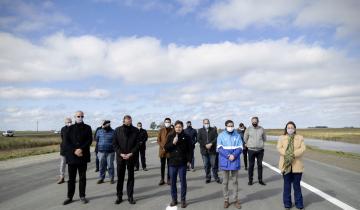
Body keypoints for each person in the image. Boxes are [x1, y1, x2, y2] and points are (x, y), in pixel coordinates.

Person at [63, 111, 92, 205]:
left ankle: (82, 196)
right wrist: (75, 150)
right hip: (72, 157)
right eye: (78, 116)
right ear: (74, 117)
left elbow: (89, 140)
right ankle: (69, 197)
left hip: (83, 156)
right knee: (71, 179)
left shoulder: (88, 127)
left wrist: (81, 149)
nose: (80, 117)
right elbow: (66, 142)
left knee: (82, 178)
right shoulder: (69, 128)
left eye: (81, 116)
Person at [277, 121, 305, 210]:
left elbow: (303, 148)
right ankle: (287, 204)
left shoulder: (300, 138)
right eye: (288, 128)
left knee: (297, 186)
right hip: (286, 165)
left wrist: (293, 154)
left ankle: (299, 204)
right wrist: (287, 154)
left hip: (297, 166)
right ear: (286, 129)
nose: (290, 129)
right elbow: (279, 147)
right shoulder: (281, 138)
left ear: (295, 129)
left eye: (292, 127)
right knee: (287, 186)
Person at [165, 120, 192, 208]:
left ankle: (183, 200)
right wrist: (173, 143)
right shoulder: (170, 136)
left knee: (183, 181)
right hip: (172, 163)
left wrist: (189, 161)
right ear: (174, 127)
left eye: (180, 127)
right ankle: (174, 199)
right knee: (173, 182)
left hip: (182, 163)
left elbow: (190, 150)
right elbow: (166, 148)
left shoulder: (186, 137)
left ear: (182, 127)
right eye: (176, 127)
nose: (178, 128)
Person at [113, 115, 139, 205]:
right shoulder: (117, 130)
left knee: (131, 178)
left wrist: (131, 153)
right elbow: (114, 144)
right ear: (123, 121)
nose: (128, 122)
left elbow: (137, 144)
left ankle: (130, 196)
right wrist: (121, 153)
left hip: (131, 157)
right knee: (120, 178)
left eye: (130, 120)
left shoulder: (135, 130)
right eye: (127, 121)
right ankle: (119, 196)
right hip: (121, 157)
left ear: (131, 121)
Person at [217, 120, 243, 209]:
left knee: (235, 182)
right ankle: (226, 200)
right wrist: (228, 156)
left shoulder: (237, 135)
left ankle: (235, 200)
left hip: (235, 161)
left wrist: (234, 155)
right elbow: (219, 148)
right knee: (225, 182)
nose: (230, 127)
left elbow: (240, 147)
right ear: (225, 126)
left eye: (232, 125)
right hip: (225, 161)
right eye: (229, 125)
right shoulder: (221, 135)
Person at [244, 116, 267, 186]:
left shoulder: (262, 129)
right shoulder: (248, 129)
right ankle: (250, 180)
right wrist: (249, 144)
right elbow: (245, 138)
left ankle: (260, 180)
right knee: (251, 166)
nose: (254, 122)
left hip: (260, 150)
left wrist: (260, 144)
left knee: (260, 165)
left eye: (255, 121)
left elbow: (264, 138)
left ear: (258, 121)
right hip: (251, 150)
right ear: (251, 122)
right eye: (253, 121)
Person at [197, 119, 221, 184]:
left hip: (212, 150)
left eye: (207, 123)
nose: (206, 124)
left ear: (209, 123)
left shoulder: (213, 129)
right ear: (203, 123)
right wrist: (205, 145)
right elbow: (198, 139)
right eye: (205, 123)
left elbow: (216, 138)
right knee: (206, 165)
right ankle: (208, 177)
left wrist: (211, 143)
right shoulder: (200, 130)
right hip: (204, 151)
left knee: (214, 165)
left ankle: (216, 177)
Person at [95, 120, 115, 184]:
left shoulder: (113, 132)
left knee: (110, 166)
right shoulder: (99, 131)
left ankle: (111, 178)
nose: (107, 125)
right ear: (103, 125)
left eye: (108, 124)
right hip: (101, 152)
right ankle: (101, 178)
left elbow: (115, 141)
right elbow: (96, 139)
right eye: (105, 124)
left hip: (110, 152)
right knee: (102, 166)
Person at [157, 117, 174, 185]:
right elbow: (158, 140)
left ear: (170, 123)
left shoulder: (173, 130)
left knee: (169, 165)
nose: (167, 123)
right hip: (162, 151)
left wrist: (167, 147)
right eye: (166, 122)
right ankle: (162, 179)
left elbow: (173, 141)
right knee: (162, 166)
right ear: (164, 123)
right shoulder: (161, 130)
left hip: (169, 151)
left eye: (168, 122)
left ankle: (169, 179)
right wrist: (163, 146)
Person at [57, 117, 72, 184]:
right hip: (64, 149)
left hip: (71, 150)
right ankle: (61, 177)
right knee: (62, 164)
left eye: (70, 122)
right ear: (65, 123)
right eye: (68, 122)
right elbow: (62, 137)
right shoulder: (63, 129)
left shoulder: (74, 128)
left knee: (71, 165)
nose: (69, 123)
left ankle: (71, 178)